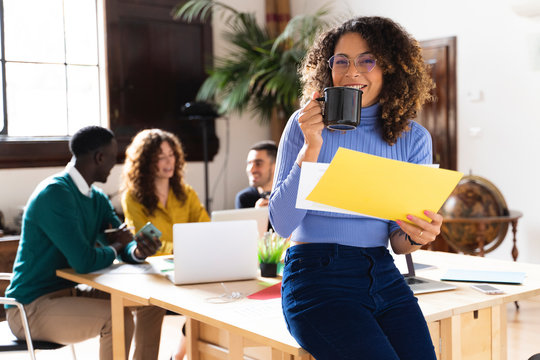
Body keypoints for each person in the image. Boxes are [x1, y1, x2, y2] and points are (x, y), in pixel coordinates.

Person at [269, 16, 442, 360]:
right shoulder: (303, 126)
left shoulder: (414, 138)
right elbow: (282, 224)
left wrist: (418, 234)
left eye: (367, 60)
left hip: (382, 272)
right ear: (327, 67)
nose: (352, 72)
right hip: (315, 276)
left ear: (390, 68)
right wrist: (312, 147)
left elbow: (398, 242)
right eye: (342, 61)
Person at [5, 126, 162, 360]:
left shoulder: (96, 198)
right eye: (112, 157)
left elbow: (119, 237)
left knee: (152, 302)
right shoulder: (55, 194)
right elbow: (84, 261)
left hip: (70, 294)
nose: (114, 164)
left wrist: (137, 251)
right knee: (115, 318)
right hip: (30, 308)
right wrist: (118, 246)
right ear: (99, 157)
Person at [121, 128, 210, 360]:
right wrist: (182, 246)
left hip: (187, 266)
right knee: (151, 311)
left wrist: (187, 247)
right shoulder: (132, 197)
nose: (168, 161)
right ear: (146, 162)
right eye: (160, 156)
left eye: (171, 154)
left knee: (212, 299)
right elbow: (144, 241)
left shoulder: (186, 193)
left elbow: (205, 229)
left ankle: (181, 354)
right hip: (152, 271)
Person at [235, 140, 277, 209]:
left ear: (275, 166)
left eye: (258, 164)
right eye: (249, 163)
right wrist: (257, 213)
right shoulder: (244, 198)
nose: (251, 170)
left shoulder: (290, 195)